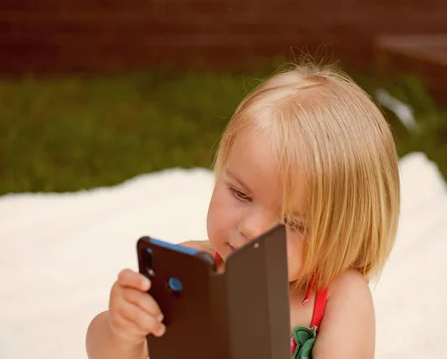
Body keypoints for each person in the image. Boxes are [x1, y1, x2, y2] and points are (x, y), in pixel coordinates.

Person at [85, 61, 400, 359]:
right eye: (240, 193)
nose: (250, 228)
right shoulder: (193, 272)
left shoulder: (340, 297)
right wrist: (122, 331)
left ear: (346, 231)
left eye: (292, 222)